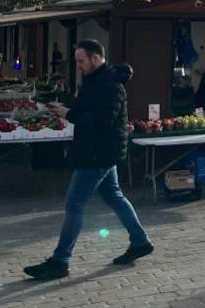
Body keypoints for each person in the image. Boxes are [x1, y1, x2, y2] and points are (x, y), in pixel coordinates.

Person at [24, 39, 152, 280]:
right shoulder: (94, 81)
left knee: (74, 204)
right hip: (97, 151)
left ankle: (60, 261)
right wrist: (65, 107)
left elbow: (102, 122)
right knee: (114, 196)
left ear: (96, 58)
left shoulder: (111, 86)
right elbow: (87, 110)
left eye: (81, 61)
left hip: (98, 154)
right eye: (77, 61)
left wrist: (69, 114)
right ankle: (140, 241)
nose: (79, 65)